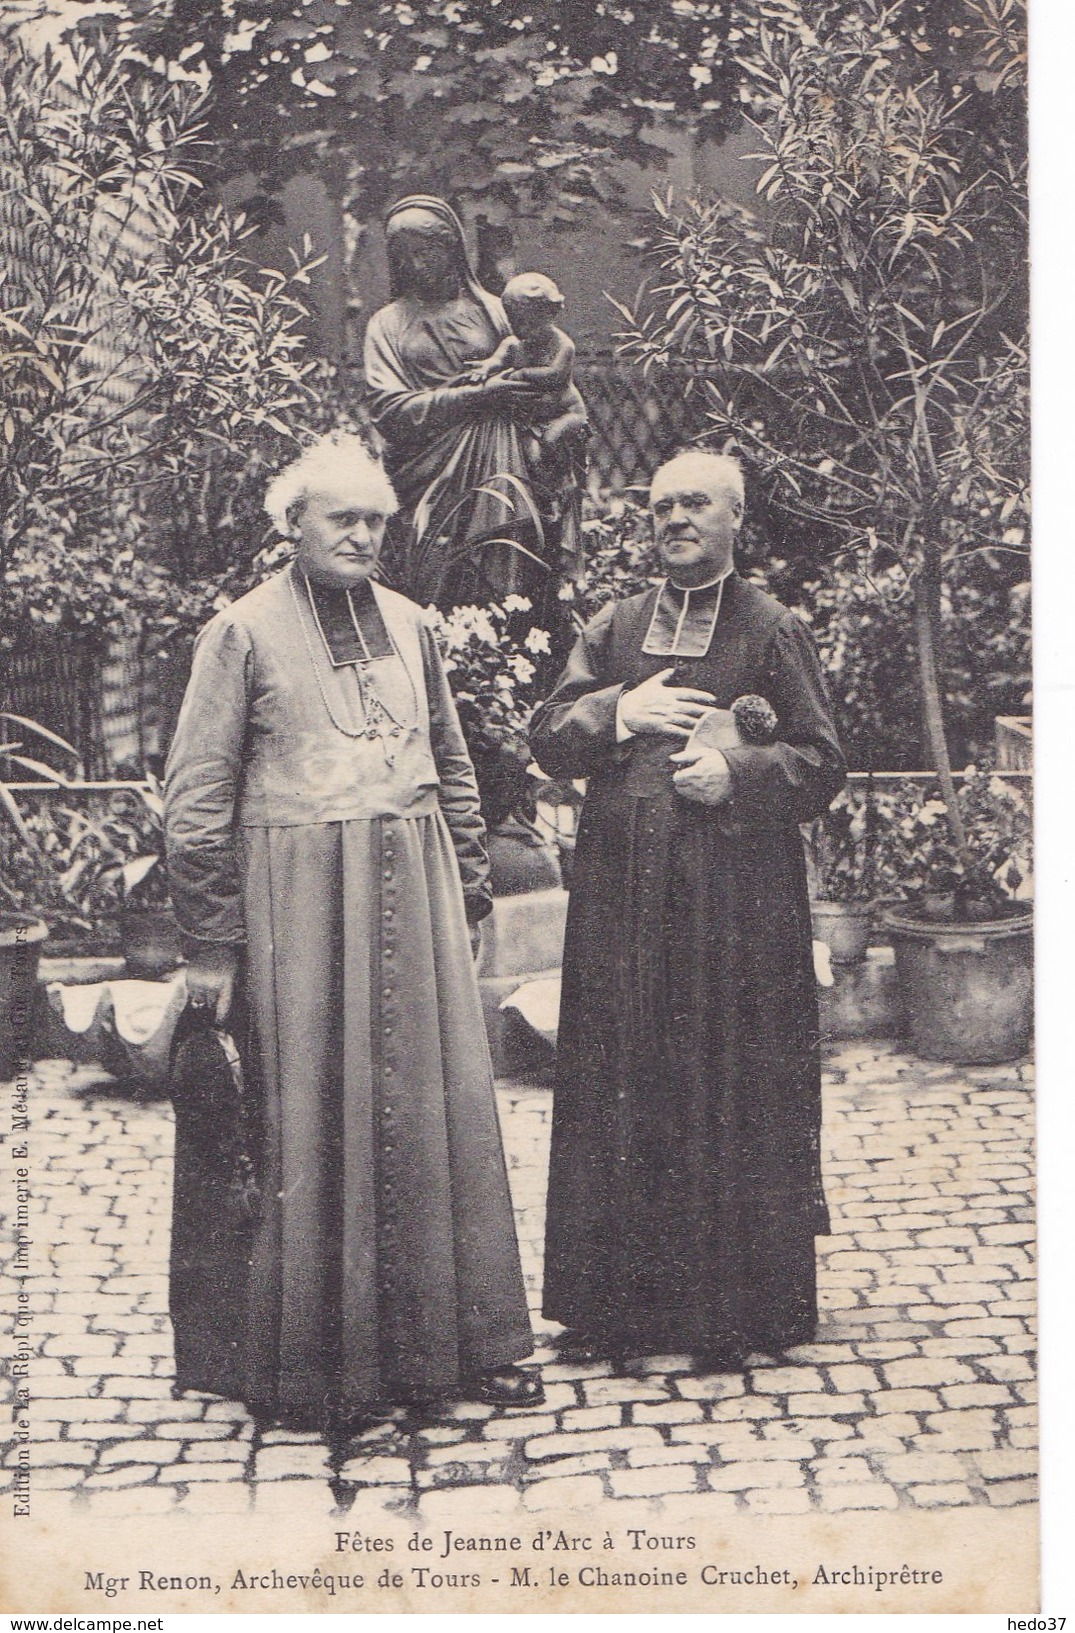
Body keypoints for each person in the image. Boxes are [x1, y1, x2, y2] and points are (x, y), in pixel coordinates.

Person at [163, 432, 542, 1431]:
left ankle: (454, 1345)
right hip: (296, 909)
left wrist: (466, 890)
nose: (365, 536)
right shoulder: (238, 633)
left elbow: (452, 765)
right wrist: (211, 940)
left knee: (433, 1116)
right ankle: (324, 1363)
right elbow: (195, 798)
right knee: (309, 1121)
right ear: (293, 523)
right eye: (345, 519)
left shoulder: (415, 626)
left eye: (376, 520)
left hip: (413, 899)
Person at [530, 450, 846, 1371]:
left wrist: (738, 772)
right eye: (661, 504)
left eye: (695, 503)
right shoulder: (614, 625)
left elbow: (822, 762)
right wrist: (619, 713)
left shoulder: (772, 627)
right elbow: (547, 737)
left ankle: (737, 1304)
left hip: (737, 903)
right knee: (621, 1071)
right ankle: (612, 1302)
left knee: (729, 1074)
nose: (674, 517)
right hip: (622, 898)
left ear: (736, 517)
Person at [363, 196, 582, 643]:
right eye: (403, 257)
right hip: (423, 477)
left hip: (503, 464)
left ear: (452, 250)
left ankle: (510, 658)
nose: (415, 265)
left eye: (426, 252)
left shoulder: (501, 312)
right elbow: (387, 408)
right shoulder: (386, 325)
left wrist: (560, 432)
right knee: (431, 585)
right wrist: (477, 396)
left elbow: (557, 386)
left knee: (508, 571)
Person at [461, 272, 589, 470]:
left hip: (566, 412)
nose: (523, 330)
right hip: (532, 417)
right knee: (529, 457)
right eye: (516, 323)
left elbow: (554, 375)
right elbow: (498, 359)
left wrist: (522, 374)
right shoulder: (514, 343)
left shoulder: (564, 345)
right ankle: (541, 491)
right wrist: (486, 367)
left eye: (531, 323)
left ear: (550, 314)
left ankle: (566, 477)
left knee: (551, 440)